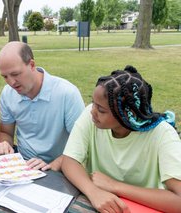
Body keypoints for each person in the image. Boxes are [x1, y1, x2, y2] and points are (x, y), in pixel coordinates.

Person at [61, 65, 181, 213]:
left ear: (126, 115)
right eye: (93, 103)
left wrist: (115, 186)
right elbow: (69, 161)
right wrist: (94, 192)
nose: (92, 111)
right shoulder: (91, 116)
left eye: (101, 110)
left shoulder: (163, 134)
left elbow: (178, 200)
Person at [0, 41, 85, 171]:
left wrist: (51, 166)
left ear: (31, 65)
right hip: (23, 166)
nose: (11, 82)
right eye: (5, 77)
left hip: (60, 168)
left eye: (15, 74)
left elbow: (81, 144)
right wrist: (5, 144)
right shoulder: (7, 93)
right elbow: (5, 132)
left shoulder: (67, 93)